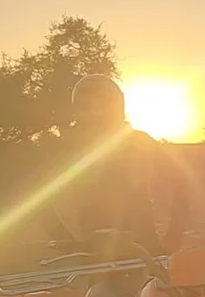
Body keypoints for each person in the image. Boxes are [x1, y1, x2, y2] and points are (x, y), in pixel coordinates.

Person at [47, 74, 188, 257]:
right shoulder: (68, 148)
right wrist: (65, 241)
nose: (96, 114)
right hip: (96, 247)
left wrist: (174, 233)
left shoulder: (140, 141)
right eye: (87, 107)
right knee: (98, 286)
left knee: (156, 285)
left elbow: (180, 181)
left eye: (102, 106)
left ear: (117, 107)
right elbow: (34, 201)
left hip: (143, 241)